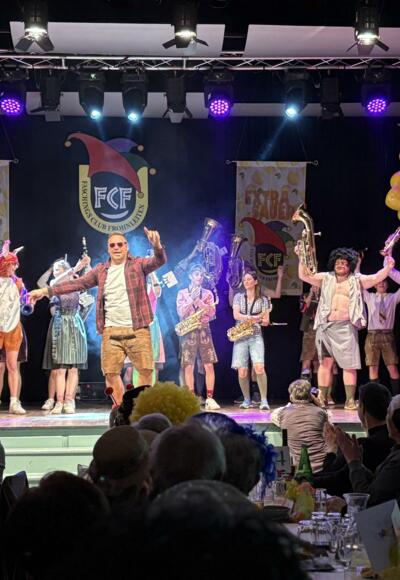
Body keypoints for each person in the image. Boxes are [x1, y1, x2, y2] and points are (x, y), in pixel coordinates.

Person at [29, 228, 166, 406]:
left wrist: (157, 246)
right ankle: (122, 409)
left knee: (146, 370)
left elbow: (159, 260)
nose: (116, 248)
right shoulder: (101, 270)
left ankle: (141, 409)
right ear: (108, 248)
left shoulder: (138, 264)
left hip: (138, 328)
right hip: (111, 330)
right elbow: (76, 283)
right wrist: (45, 291)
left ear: (126, 247)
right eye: (112, 245)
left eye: (120, 244)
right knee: (110, 373)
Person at [296, 246, 394, 409]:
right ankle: (322, 397)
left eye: (344, 263)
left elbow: (376, 277)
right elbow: (303, 275)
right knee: (324, 363)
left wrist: (388, 267)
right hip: (325, 327)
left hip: (346, 327)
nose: (340, 265)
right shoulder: (325, 278)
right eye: (338, 262)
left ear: (350, 265)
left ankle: (349, 400)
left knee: (349, 365)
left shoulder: (356, 279)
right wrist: (301, 257)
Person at [314, 381, 393, 497]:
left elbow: (335, 480)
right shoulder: (390, 439)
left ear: (362, 407)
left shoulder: (364, 445)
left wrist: (332, 449)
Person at [39, 258, 89, 414]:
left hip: (75, 323)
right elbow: (52, 283)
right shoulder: (56, 284)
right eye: (54, 270)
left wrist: (86, 265)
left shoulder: (77, 283)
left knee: (73, 368)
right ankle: (59, 401)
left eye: (58, 269)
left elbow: (92, 283)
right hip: (60, 324)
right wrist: (74, 268)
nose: (55, 272)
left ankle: (69, 401)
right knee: (60, 368)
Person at [336, 394, 400, 507]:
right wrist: (358, 463)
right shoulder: (395, 450)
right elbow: (378, 484)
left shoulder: (397, 461)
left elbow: (367, 500)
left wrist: (353, 461)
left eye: (388, 414)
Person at [176, 263, 219, 410]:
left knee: (209, 364)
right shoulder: (182, 293)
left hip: (204, 330)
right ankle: (191, 398)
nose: (199, 277)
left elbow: (212, 313)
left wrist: (200, 302)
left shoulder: (207, 293)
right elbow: (181, 313)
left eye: (201, 275)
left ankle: (210, 398)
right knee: (189, 365)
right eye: (196, 275)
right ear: (190, 276)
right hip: (188, 331)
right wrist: (191, 299)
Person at [231, 270, 271, 410]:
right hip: (240, 335)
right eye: (245, 280)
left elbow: (266, 321)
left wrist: (260, 319)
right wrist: (252, 318)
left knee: (259, 367)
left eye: (249, 279)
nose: (246, 282)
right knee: (242, 370)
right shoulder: (238, 297)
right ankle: (247, 400)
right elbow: (236, 315)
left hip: (255, 334)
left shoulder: (263, 299)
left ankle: (264, 400)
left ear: (255, 281)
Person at [271, 379, 328, 472]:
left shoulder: (282, 413)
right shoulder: (320, 413)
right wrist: (320, 404)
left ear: (291, 397)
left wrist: (291, 404)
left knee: (280, 452)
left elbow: (274, 416)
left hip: (297, 470)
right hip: (321, 468)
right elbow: (329, 421)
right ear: (311, 396)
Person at [0, 240, 28, 414]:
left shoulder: (18, 283)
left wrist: (29, 299)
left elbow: (26, 300)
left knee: (12, 366)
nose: (14, 267)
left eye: (15, 264)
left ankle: (14, 402)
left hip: (12, 328)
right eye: (11, 264)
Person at [124, 268, 165, 386]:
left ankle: (150, 393)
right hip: (136, 326)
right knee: (134, 365)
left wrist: (152, 274)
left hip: (152, 327)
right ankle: (134, 392)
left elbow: (158, 292)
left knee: (152, 364)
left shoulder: (153, 287)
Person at [363, 278, 400, 394]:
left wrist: (389, 270)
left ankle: (397, 396)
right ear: (374, 285)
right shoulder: (369, 297)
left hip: (387, 335)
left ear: (388, 284)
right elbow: (358, 283)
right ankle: (376, 396)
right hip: (372, 336)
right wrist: (357, 267)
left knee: (392, 367)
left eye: (384, 281)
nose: (381, 284)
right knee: (373, 367)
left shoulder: (393, 297)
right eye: (379, 282)